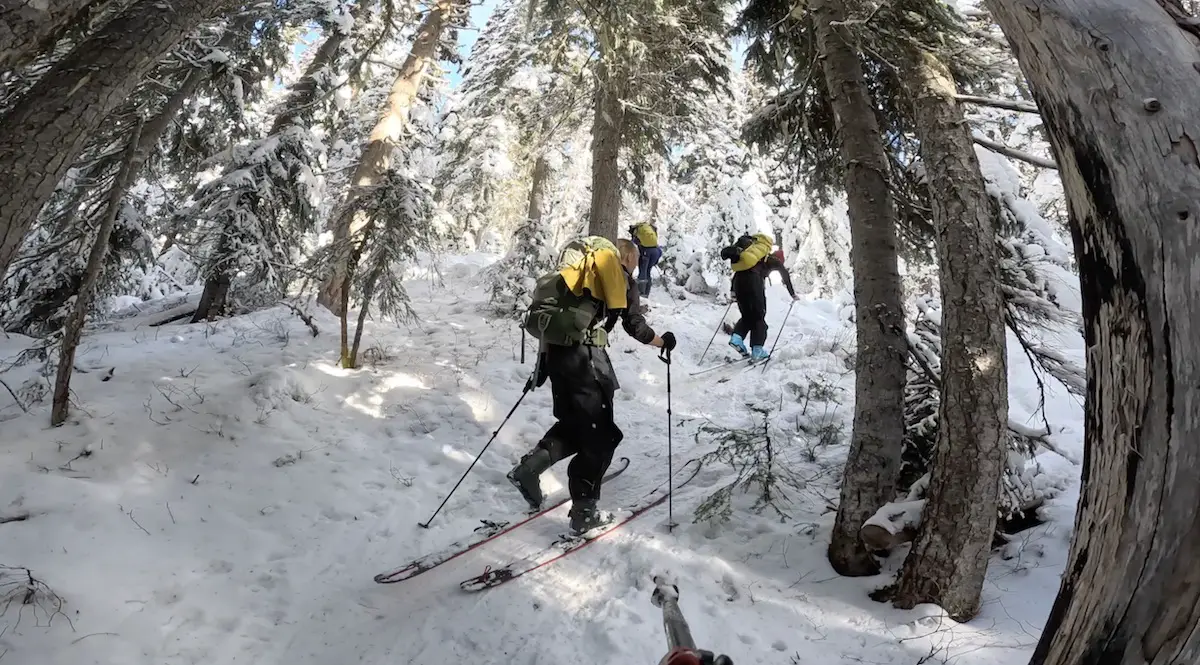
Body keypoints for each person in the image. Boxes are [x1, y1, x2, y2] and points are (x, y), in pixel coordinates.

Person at [509, 238, 677, 534]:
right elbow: (634, 325)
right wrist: (663, 341)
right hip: (586, 361)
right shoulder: (618, 279)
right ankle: (584, 512)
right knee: (603, 437)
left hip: (559, 358)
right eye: (636, 259)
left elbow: (553, 324)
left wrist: (543, 365)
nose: (637, 265)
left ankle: (530, 468)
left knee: (575, 425)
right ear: (625, 258)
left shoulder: (576, 279)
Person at [719, 233, 798, 362]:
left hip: (739, 282)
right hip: (754, 283)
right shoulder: (771, 259)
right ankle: (757, 350)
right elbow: (785, 274)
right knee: (759, 318)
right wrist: (792, 294)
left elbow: (739, 273)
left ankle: (737, 339)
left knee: (747, 317)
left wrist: (733, 292)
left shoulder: (750, 258)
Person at [629, 222, 662, 297]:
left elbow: (633, 243)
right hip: (656, 251)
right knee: (648, 272)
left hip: (646, 252)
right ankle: (647, 292)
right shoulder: (649, 228)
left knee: (642, 272)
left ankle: (641, 293)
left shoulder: (637, 231)